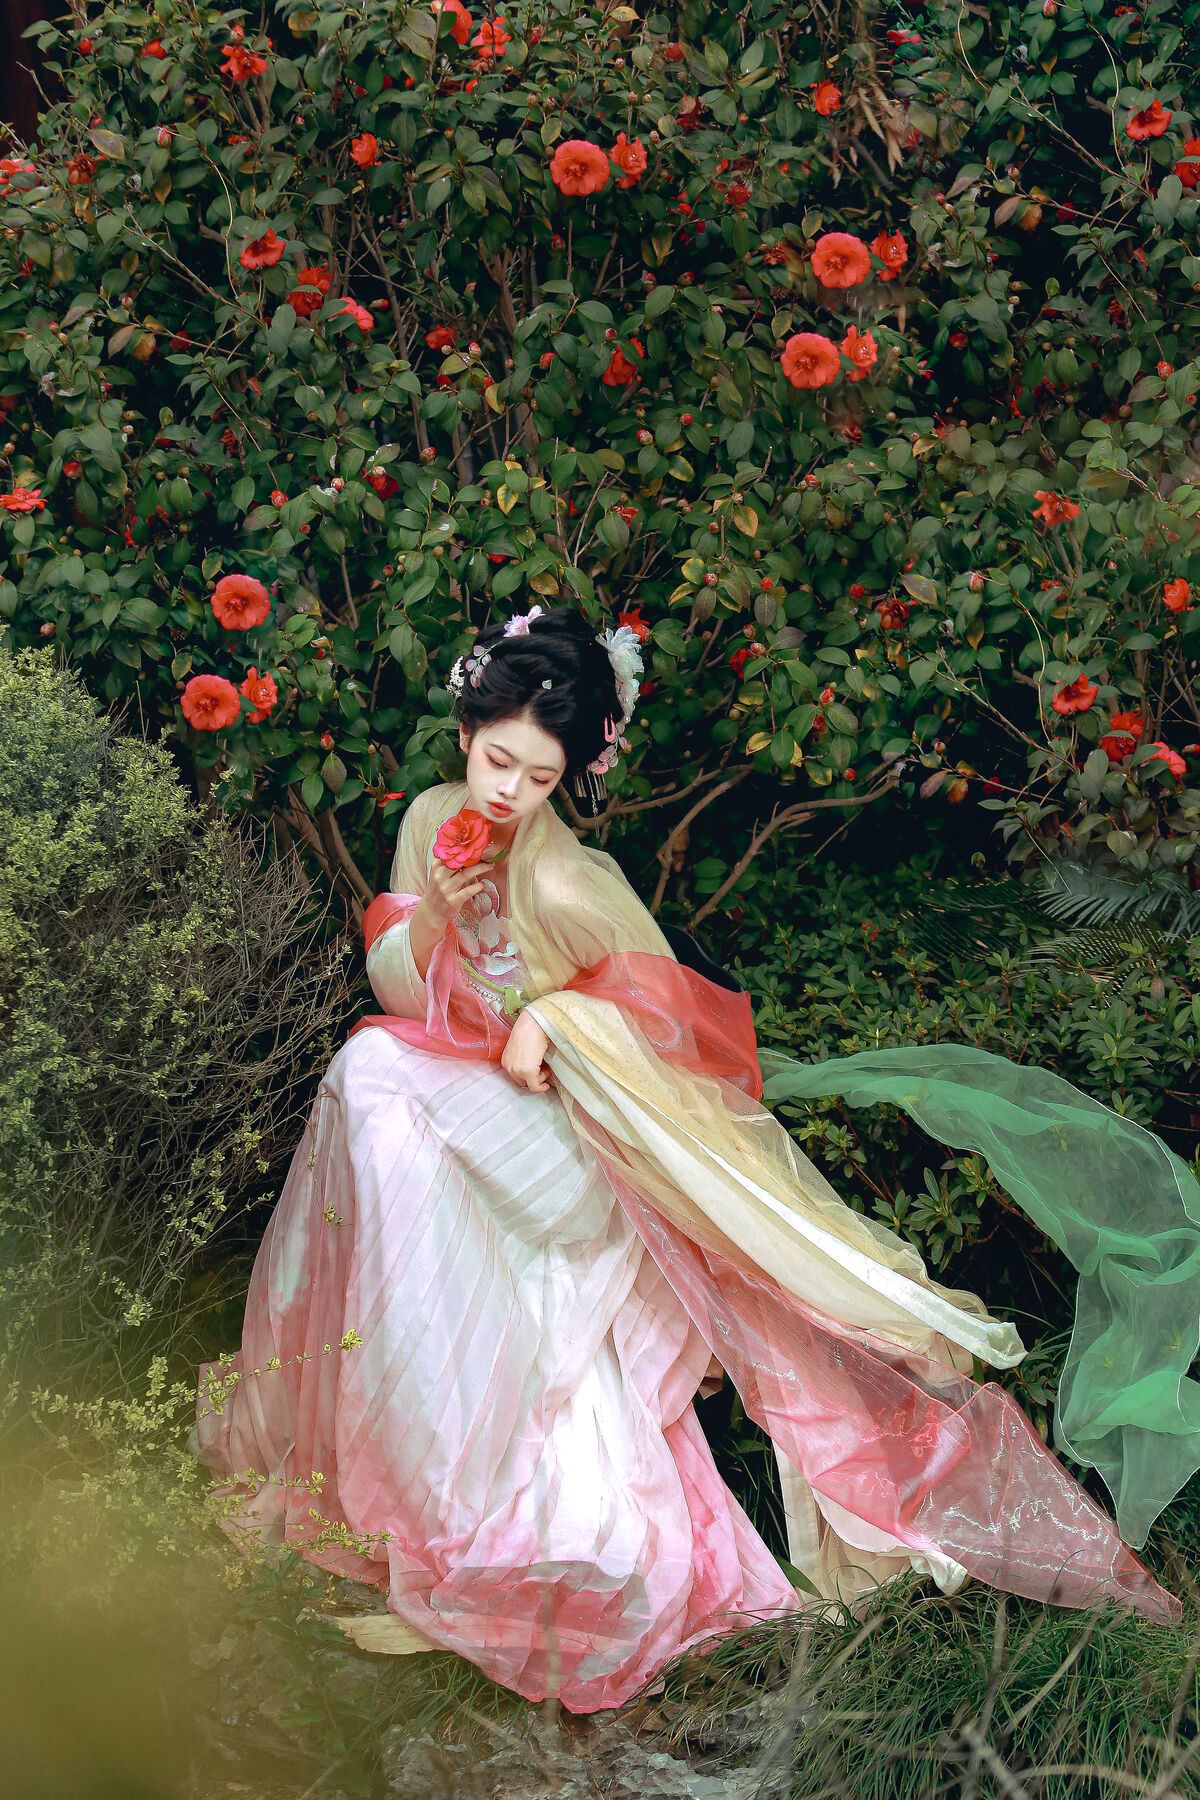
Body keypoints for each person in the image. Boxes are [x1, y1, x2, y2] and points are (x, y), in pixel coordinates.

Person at [193, 606, 1187, 1712]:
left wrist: (558, 1019)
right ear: (465, 734)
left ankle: (470, 1492)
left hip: (576, 1141)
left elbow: (676, 1036)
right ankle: (409, 1466)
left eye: (539, 776)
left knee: (381, 1087)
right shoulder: (436, 820)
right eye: (496, 760)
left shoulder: (572, 884)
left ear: (571, 777)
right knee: (372, 1076)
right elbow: (397, 994)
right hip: (459, 1092)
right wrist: (436, 920)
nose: (507, 793)